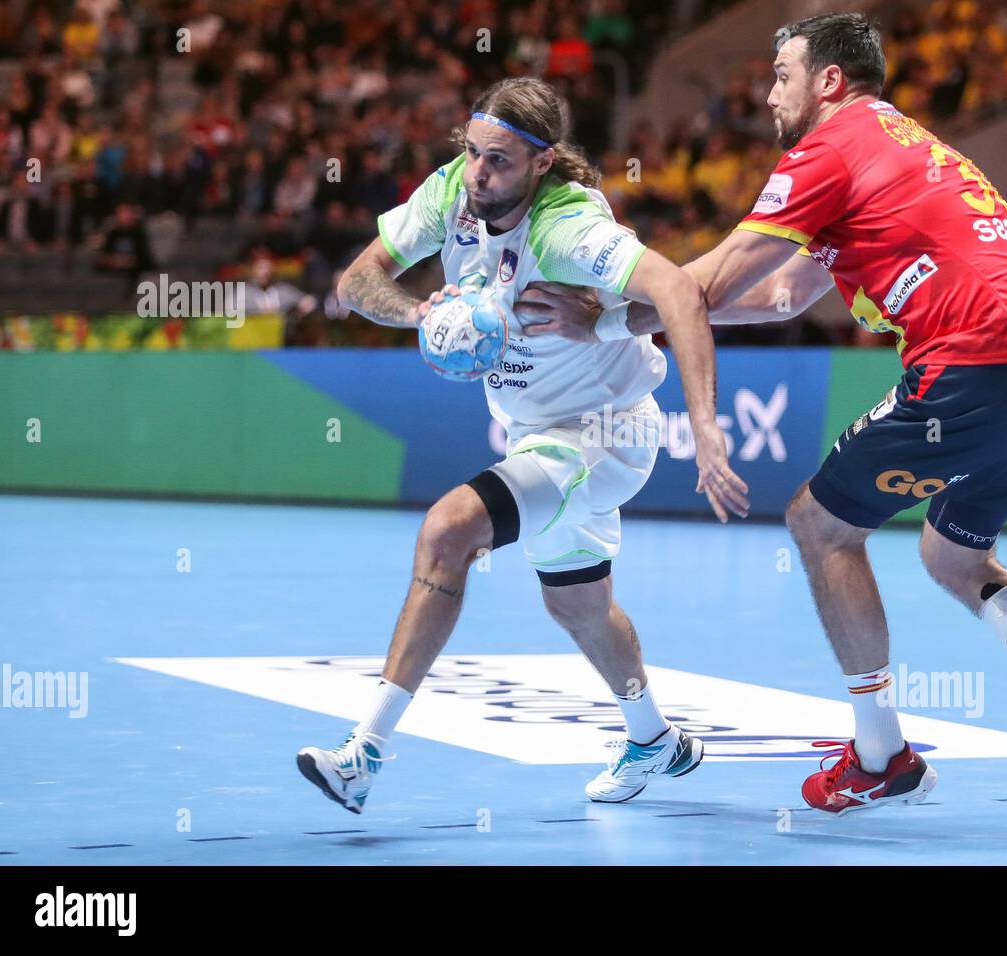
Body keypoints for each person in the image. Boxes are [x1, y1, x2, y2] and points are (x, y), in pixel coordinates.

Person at [522, 13, 1007, 843]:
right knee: (954, 556)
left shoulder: (828, 148)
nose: (770, 89)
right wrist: (632, 321)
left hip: (979, 365)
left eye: (782, 73)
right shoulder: (896, 145)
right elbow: (783, 295)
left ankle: (881, 756)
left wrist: (601, 315)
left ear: (828, 81)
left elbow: (708, 281)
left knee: (818, 525)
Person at [296, 77, 747, 814]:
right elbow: (354, 282)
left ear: (542, 163)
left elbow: (678, 290)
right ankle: (654, 739)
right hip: (535, 430)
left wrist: (702, 422)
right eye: (472, 153)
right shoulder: (451, 194)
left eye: (499, 161)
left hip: (605, 429)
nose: (478, 173)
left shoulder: (564, 227)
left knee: (449, 532)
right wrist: (421, 312)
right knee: (578, 606)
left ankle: (363, 755)